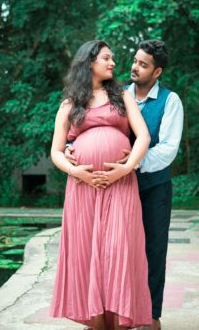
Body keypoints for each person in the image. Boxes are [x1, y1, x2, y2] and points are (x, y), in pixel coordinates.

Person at [66, 40, 184, 330]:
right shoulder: (117, 94)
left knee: (152, 250)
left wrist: (129, 165)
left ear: (156, 72)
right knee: (111, 250)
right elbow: (85, 121)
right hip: (115, 187)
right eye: (134, 60)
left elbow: (168, 149)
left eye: (143, 64)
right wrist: (73, 146)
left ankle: (150, 315)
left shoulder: (170, 101)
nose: (133, 67)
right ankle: (108, 311)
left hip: (152, 185)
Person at [49, 40, 152, 330]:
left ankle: (119, 320)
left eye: (113, 58)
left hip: (120, 185)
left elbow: (142, 137)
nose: (113, 63)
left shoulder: (121, 96)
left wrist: (126, 167)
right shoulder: (70, 104)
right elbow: (56, 151)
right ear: (89, 61)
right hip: (82, 189)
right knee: (86, 252)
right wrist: (76, 172)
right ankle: (94, 320)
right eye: (107, 58)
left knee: (119, 251)